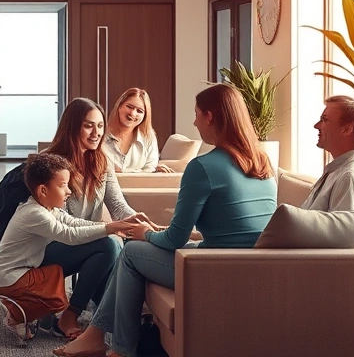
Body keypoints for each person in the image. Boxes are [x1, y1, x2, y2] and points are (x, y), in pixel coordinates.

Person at [55, 84, 278, 357]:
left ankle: (117, 347)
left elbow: (176, 239)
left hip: (211, 268)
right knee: (130, 251)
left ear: (210, 116)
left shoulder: (203, 166)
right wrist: (147, 228)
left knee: (131, 252)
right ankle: (102, 338)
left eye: (197, 115)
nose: (194, 122)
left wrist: (146, 234)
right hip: (257, 267)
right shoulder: (263, 162)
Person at [0, 153, 140, 339]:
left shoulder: (47, 209)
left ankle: (108, 317)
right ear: (43, 191)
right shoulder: (35, 214)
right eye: (63, 185)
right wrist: (109, 228)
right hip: (12, 278)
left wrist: (110, 227)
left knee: (106, 245)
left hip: (23, 270)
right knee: (103, 248)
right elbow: (69, 235)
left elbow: (74, 223)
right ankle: (17, 314)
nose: (69, 191)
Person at [39, 98, 153, 340]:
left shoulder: (101, 161)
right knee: (109, 244)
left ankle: (118, 318)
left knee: (129, 243)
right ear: (72, 126)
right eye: (88, 126)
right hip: (48, 248)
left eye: (100, 126)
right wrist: (108, 228)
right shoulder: (50, 163)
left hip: (84, 242)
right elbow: (62, 224)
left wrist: (137, 222)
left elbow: (118, 205)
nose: (96, 133)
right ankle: (71, 314)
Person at [302, 95, 354, 212]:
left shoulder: (350, 179)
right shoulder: (338, 171)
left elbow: (341, 230)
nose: (316, 125)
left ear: (347, 129)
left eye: (325, 120)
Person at [103, 88, 171, 173]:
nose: (133, 113)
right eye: (129, 107)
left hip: (139, 186)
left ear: (145, 116)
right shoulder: (100, 134)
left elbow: (149, 170)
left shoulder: (148, 137)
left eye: (139, 111)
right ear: (119, 106)